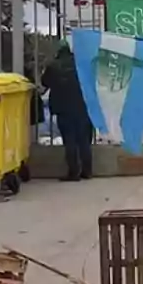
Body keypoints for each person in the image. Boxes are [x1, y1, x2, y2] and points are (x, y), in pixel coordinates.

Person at [41, 39, 94, 182]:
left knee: (69, 140)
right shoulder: (81, 65)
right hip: (82, 107)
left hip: (63, 108)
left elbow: (44, 82)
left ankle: (73, 172)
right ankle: (87, 171)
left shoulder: (53, 66)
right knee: (84, 140)